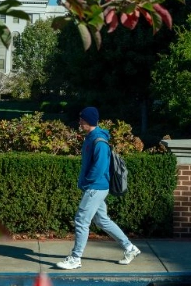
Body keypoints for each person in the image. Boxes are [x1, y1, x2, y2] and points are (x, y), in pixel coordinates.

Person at [55, 106, 140, 270]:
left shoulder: (99, 141)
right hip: (95, 187)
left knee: (81, 220)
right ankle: (130, 248)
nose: (79, 122)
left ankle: (75, 258)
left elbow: (100, 167)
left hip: (96, 187)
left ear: (88, 121)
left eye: (81, 119)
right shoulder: (90, 137)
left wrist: (87, 181)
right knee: (102, 220)